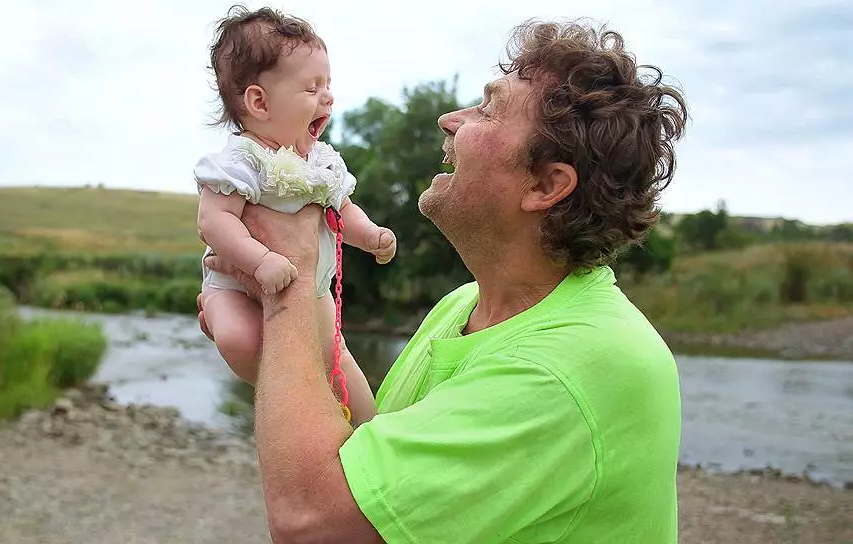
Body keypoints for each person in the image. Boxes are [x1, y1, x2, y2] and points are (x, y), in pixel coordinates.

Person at [198, 17, 689, 544]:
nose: (448, 119)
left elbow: (312, 524)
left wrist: (289, 287)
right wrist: (287, 352)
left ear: (547, 184)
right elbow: (366, 464)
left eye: (488, 109)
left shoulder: (572, 367)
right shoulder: (463, 307)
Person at [194, 5, 395, 422]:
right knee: (240, 339)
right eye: (311, 88)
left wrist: (371, 235)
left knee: (342, 368)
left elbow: (343, 210)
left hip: (311, 291)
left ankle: (367, 428)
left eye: (328, 85)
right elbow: (214, 221)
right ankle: (296, 397)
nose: (328, 96)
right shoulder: (241, 160)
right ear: (259, 102)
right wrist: (260, 259)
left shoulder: (321, 162)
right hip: (237, 288)